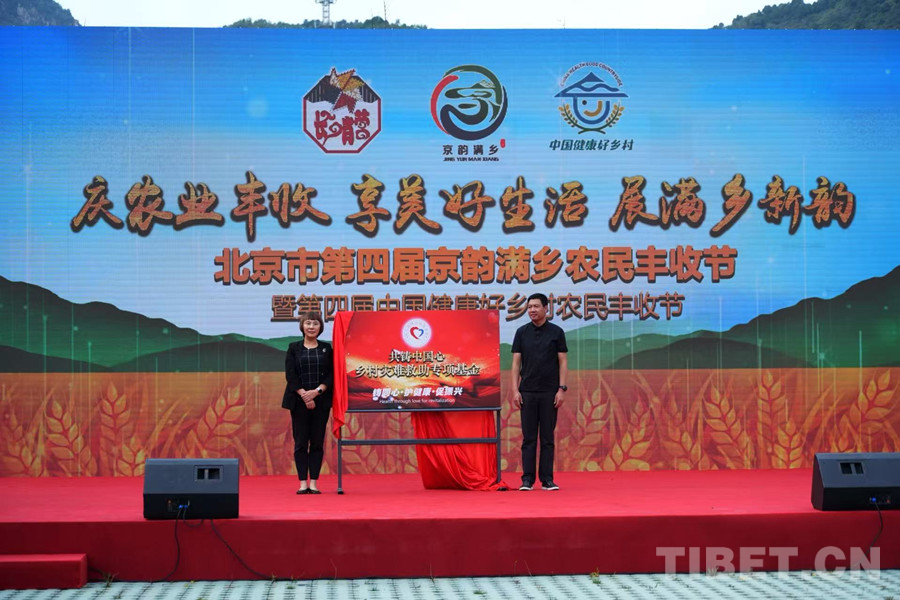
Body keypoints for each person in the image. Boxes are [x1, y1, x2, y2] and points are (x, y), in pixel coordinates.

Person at [511, 293, 568, 491]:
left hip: (549, 393)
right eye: (529, 307)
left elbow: (563, 362)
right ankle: (527, 479)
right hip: (527, 392)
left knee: (547, 438)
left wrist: (561, 389)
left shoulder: (557, 332)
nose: (532, 310)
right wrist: (515, 390)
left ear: (546, 308)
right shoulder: (521, 332)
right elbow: (516, 364)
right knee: (528, 438)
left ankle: (547, 480)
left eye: (536, 306)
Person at [282, 311, 334, 494]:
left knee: (317, 442)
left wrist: (316, 392)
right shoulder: (293, 348)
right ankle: (303, 483)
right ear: (302, 326)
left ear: (321, 327)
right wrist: (305, 395)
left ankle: (314, 483)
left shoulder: (327, 348)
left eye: (315, 323)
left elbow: (331, 375)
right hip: (298, 402)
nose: (312, 327)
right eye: (308, 323)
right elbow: (290, 375)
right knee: (301, 442)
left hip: (321, 402)